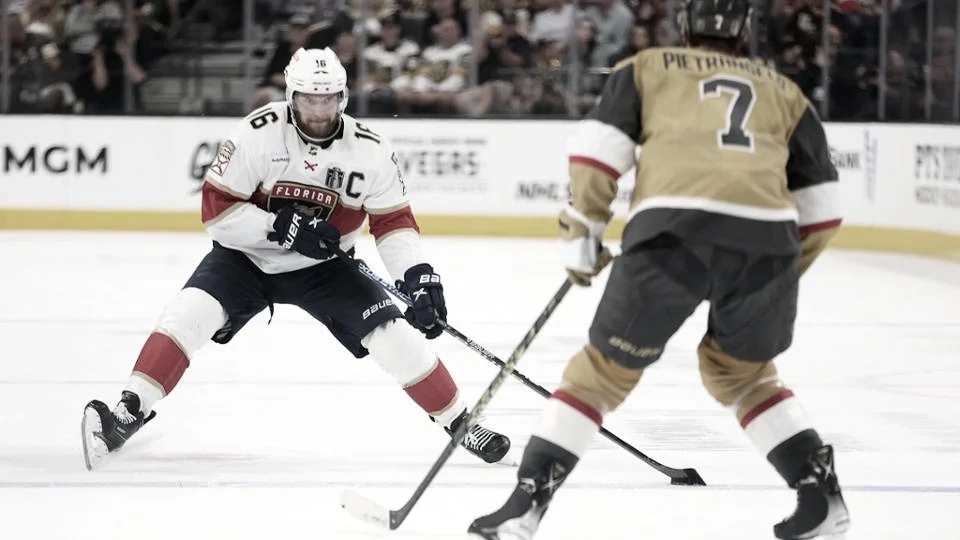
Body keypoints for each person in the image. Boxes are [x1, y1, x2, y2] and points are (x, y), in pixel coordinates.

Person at [468, 0, 850, 538]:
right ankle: (821, 498)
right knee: (744, 376)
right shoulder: (785, 92)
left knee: (598, 374)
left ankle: (526, 507)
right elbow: (824, 209)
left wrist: (584, 228)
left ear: (684, 25)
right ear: (744, 33)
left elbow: (599, 154)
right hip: (768, 245)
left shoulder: (646, 68)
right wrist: (783, 265)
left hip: (674, 237)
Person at [81, 47, 512, 471]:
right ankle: (127, 412)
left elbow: (393, 221)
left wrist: (417, 275)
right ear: (291, 96)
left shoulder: (370, 150)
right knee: (187, 314)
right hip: (244, 260)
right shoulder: (258, 132)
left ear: (342, 97)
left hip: (326, 269)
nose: (319, 110)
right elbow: (216, 211)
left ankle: (460, 421)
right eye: (309, 98)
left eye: (328, 98)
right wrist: (280, 227)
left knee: (392, 334)